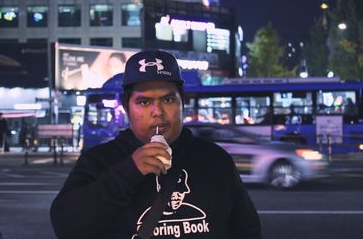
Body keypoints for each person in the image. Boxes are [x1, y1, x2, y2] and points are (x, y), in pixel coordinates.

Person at [50, 50, 261, 239]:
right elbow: (66, 226)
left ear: (182, 103)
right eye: (144, 102)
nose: (157, 111)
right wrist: (129, 171)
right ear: (126, 107)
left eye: (168, 100)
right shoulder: (99, 160)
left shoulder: (214, 159)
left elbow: (247, 228)